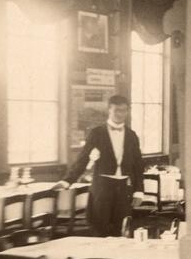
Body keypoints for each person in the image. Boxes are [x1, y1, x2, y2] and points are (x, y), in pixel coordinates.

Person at [58, 93, 144, 237]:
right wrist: (67, 181)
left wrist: (139, 190)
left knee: (122, 229)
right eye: (116, 110)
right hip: (102, 188)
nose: (120, 114)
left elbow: (138, 165)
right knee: (99, 229)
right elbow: (83, 159)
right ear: (109, 110)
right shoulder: (96, 133)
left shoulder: (132, 135)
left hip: (124, 189)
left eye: (124, 110)